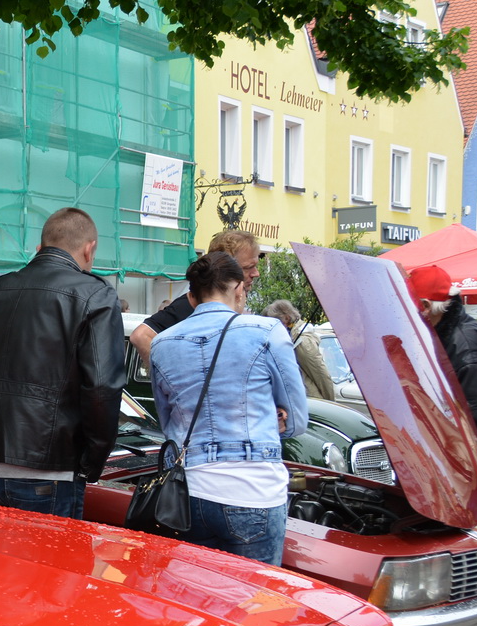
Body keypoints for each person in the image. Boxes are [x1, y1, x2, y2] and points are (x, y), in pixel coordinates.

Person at [0, 207, 125, 519]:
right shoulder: (95, 294)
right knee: (49, 566)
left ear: (41, 247)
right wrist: (93, 460)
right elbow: (102, 386)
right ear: (90, 249)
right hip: (51, 467)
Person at [150, 251, 307, 564]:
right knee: (251, 605)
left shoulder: (162, 343)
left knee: (194, 600)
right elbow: (297, 419)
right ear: (238, 289)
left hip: (187, 493)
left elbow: (169, 424)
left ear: (192, 298)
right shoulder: (267, 332)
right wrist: (278, 421)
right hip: (253, 490)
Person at [129, 231, 262, 363]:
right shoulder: (191, 303)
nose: (256, 273)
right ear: (224, 266)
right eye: (249, 267)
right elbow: (140, 336)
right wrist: (172, 376)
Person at [419, 294, 477, 472]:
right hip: (448, 460)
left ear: (426, 306)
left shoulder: (465, 347)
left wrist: (476, 483)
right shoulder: (442, 333)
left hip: (462, 469)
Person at [263, 299, 338, 402]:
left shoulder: (301, 341)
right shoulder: (292, 337)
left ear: (287, 318)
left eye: (276, 322)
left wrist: (330, 402)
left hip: (313, 401)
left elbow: (320, 374)